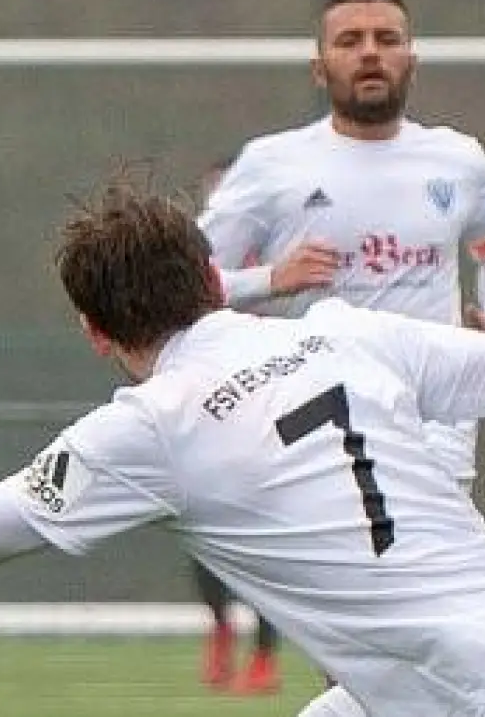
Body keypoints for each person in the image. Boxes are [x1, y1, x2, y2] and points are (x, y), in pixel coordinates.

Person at [0, 181, 485, 717]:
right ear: (214, 279)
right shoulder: (343, 331)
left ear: (95, 331)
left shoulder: (149, 426)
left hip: (482, 692)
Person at [200, 0, 485, 487]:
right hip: (311, 425)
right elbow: (184, 285)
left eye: (387, 39)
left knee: (438, 538)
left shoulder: (459, 160)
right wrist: (269, 280)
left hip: (434, 427)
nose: (371, 53)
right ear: (319, 69)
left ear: (412, 63)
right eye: (350, 41)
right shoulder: (270, 165)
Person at [189, 155, 281, 693]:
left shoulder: (284, 244)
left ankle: (266, 653)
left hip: (272, 399)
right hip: (212, 399)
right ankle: (221, 626)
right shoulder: (193, 257)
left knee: (272, 527)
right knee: (202, 518)